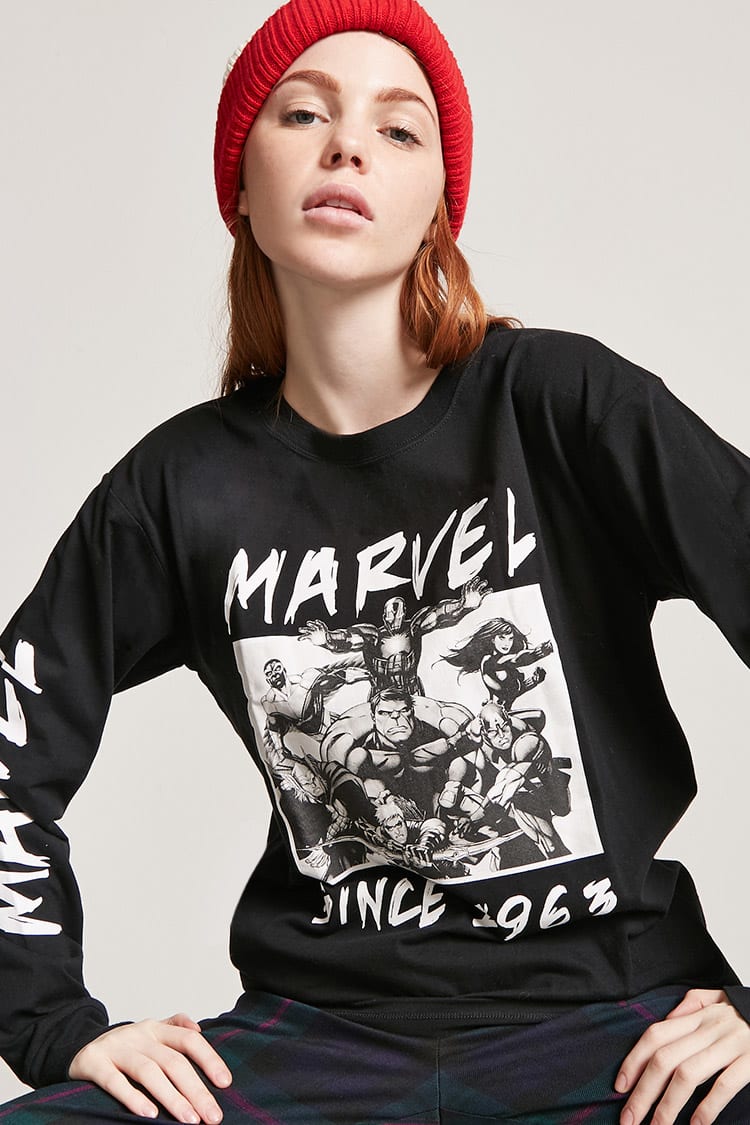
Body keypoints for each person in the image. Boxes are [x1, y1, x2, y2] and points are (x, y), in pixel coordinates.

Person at [0, 1, 749, 1123]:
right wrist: (53, 1025)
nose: (348, 145)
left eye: (399, 130)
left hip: (622, 1022)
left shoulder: (563, 406)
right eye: (303, 114)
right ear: (241, 186)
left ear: (437, 207)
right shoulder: (182, 487)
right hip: (315, 1041)